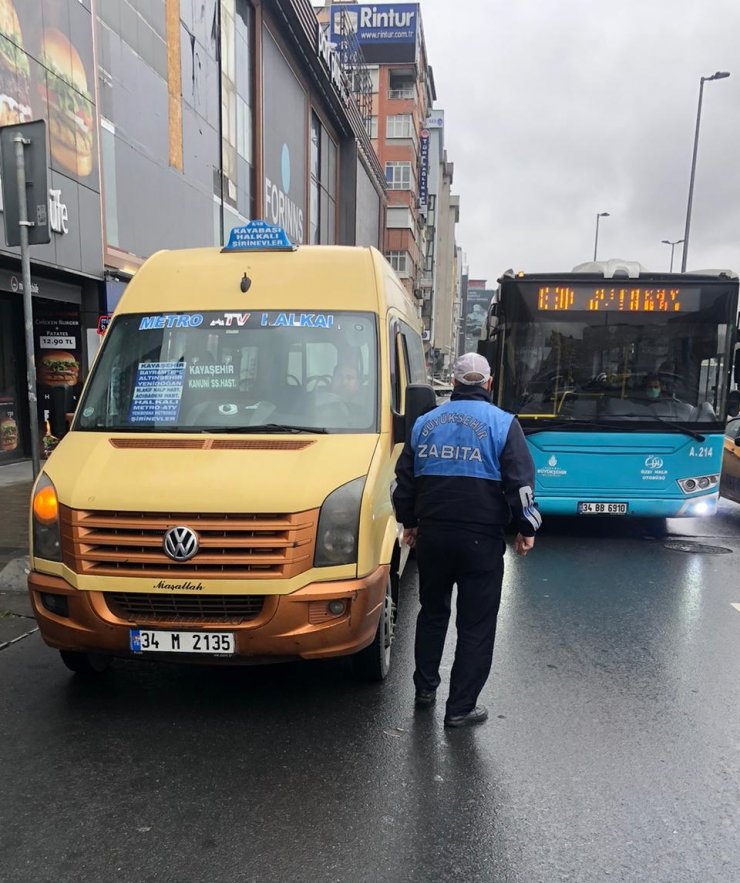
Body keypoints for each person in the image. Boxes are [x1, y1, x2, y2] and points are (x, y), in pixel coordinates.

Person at [393, 352, 541, 729]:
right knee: (475, 625)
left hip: (433, 536)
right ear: (488, 384)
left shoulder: (425, 424)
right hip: (481, 540)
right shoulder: (504, 424)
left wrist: (409, 522)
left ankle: (425, 690)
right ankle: (460, 707)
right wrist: (527, 528)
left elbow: (404, 482)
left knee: (432, 613)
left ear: (455, 384)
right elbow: (520, 485)